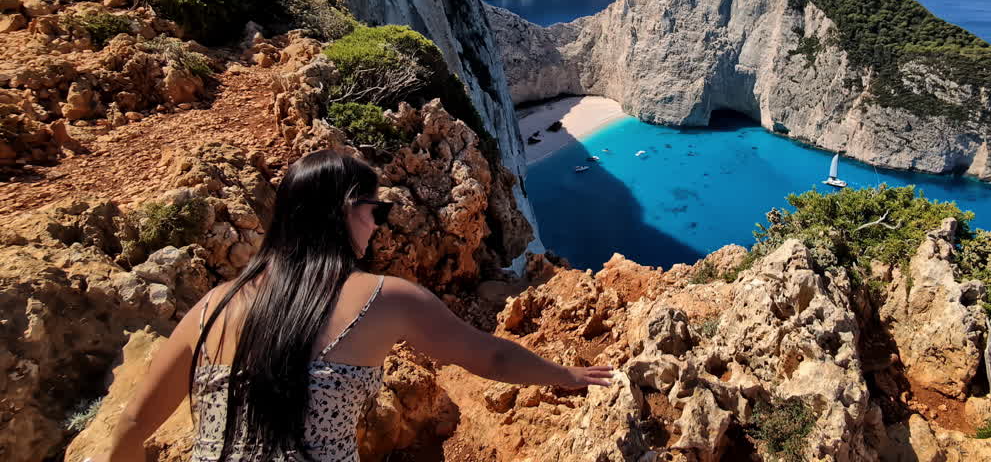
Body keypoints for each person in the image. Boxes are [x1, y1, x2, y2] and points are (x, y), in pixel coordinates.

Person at [92, 150, 614, 462]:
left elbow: (133, 427)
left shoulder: (212, 305)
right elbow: (491, 358)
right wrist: (564, 374)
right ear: (346, 211)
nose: (379, 223)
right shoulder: (383, 298)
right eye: (376, 209)